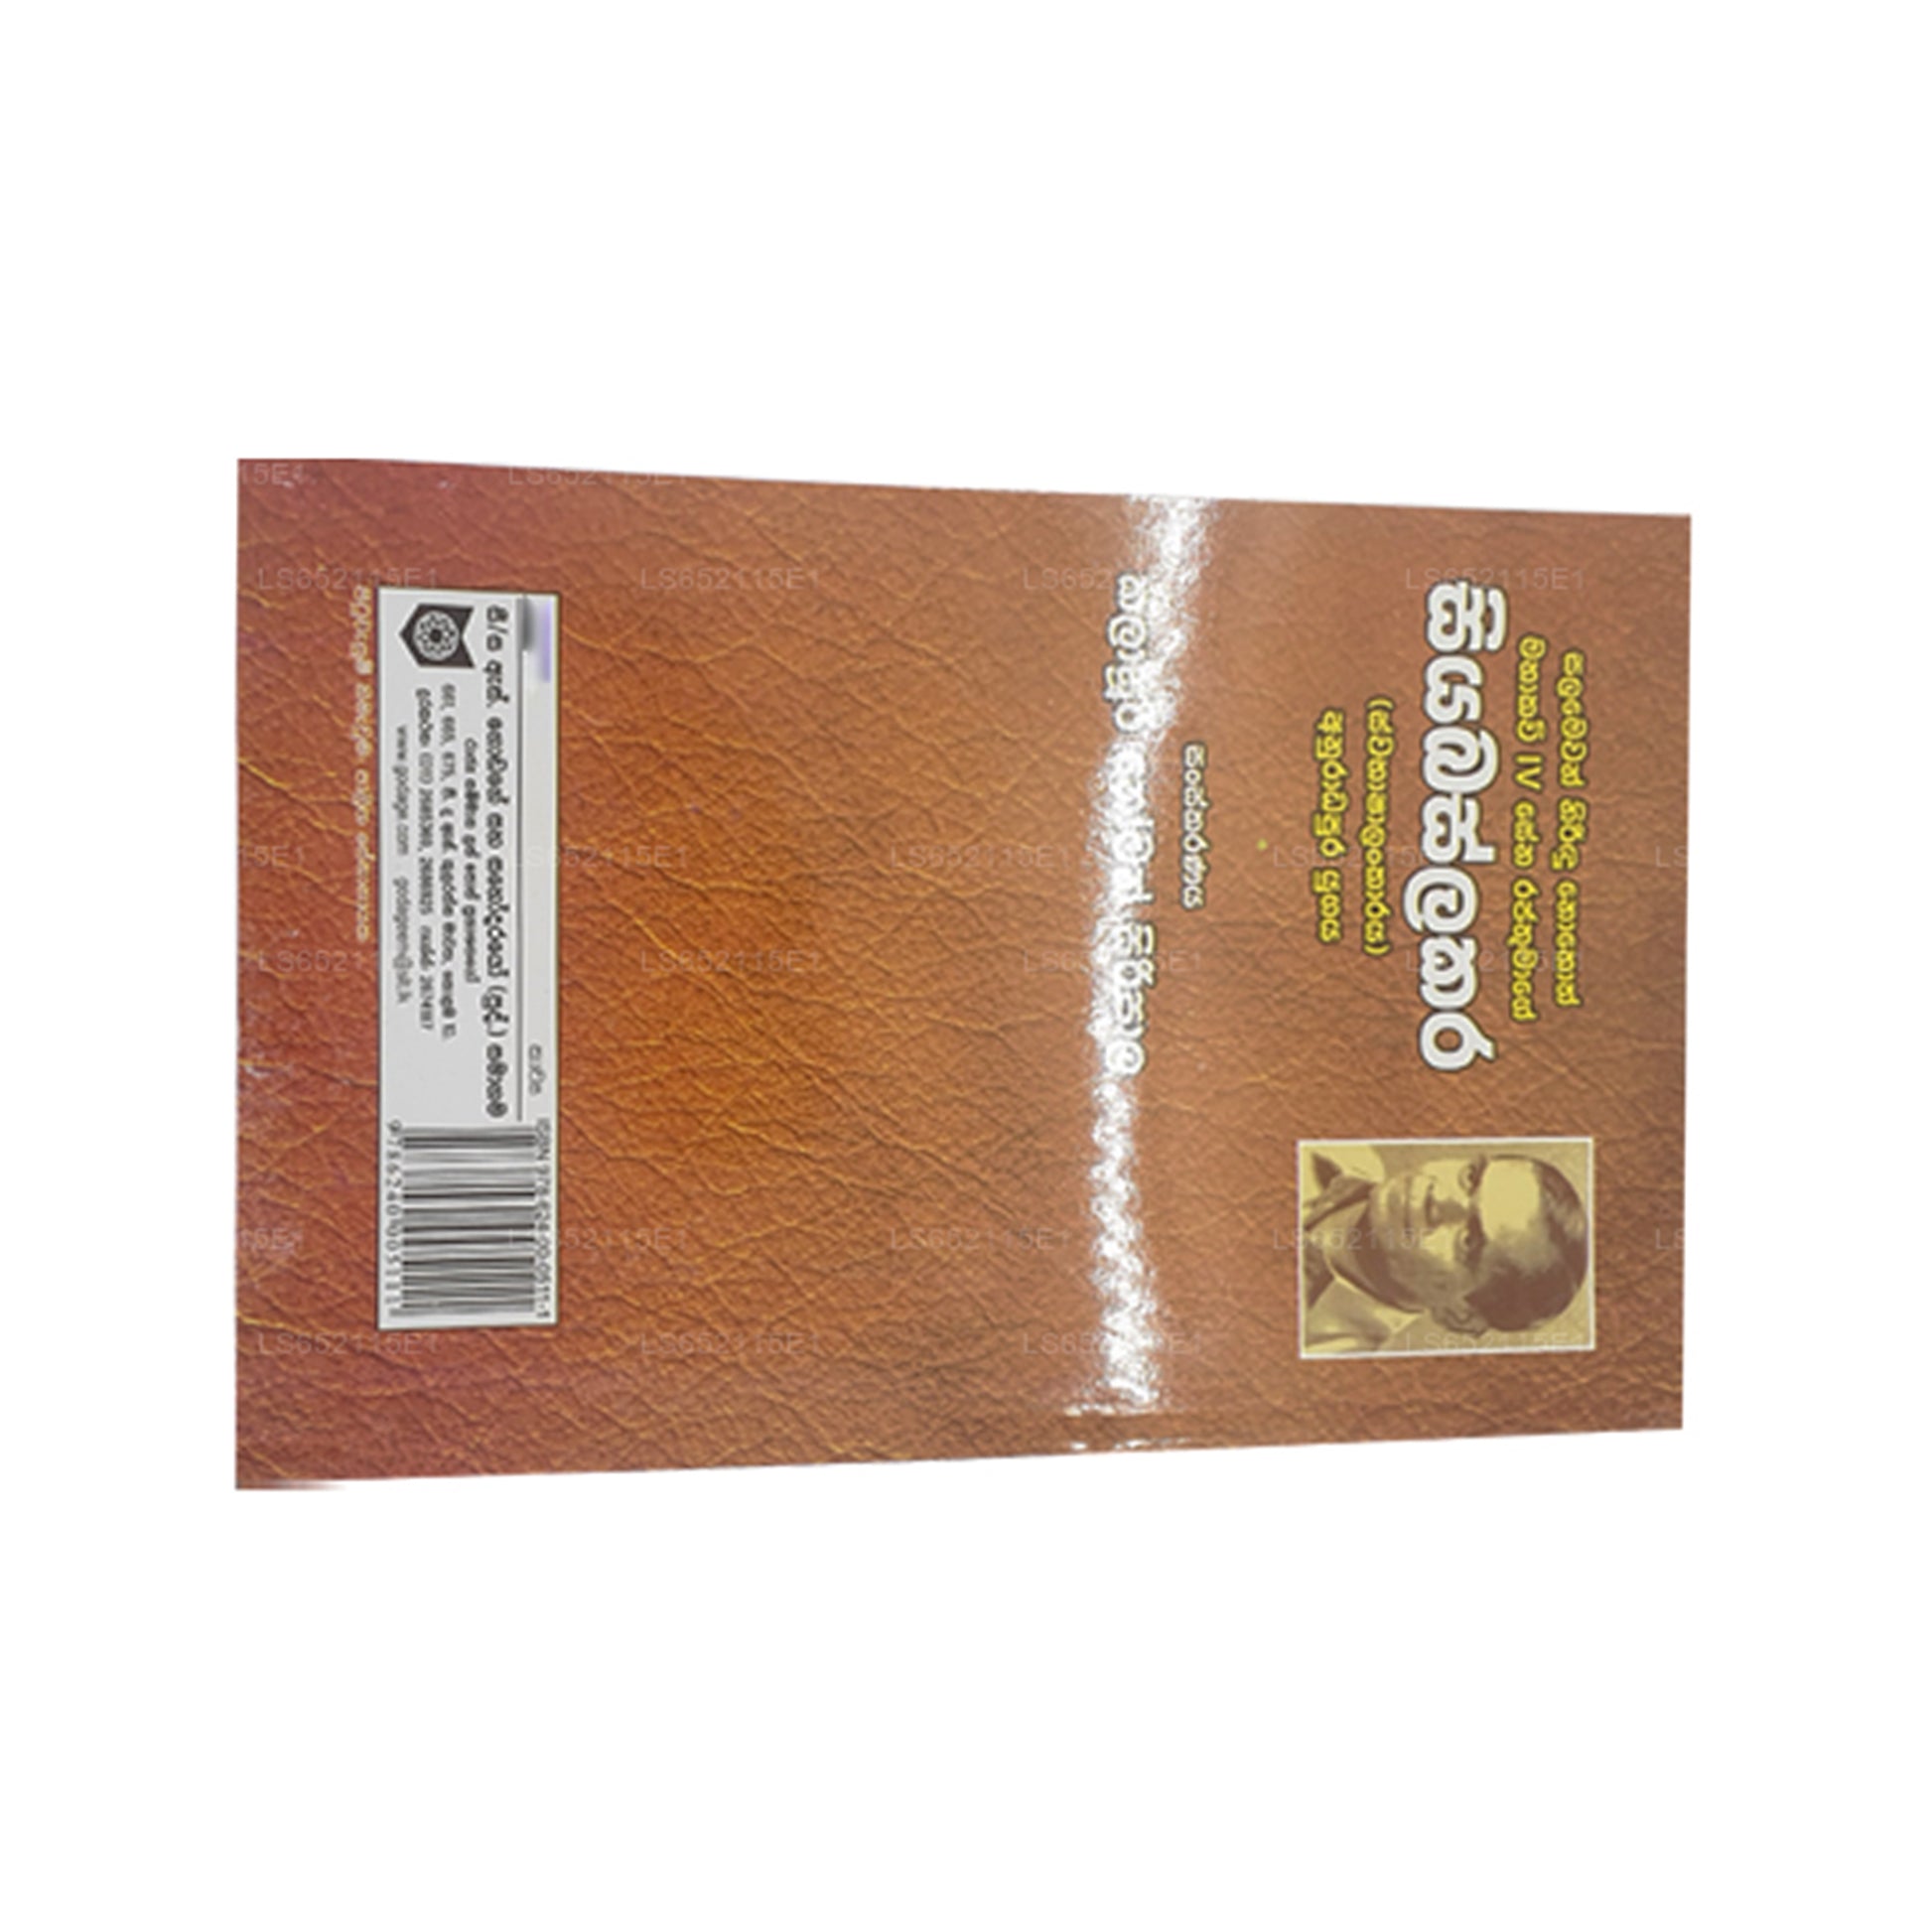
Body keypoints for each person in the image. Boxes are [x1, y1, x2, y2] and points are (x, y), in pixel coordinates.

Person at [1301, 1143, 1588, 1354]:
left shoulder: (1318, 1357)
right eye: (1470, 1178)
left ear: (1458, 1315)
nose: (1440, 1197)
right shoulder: (1338, 1148)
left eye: (1468, 1240)